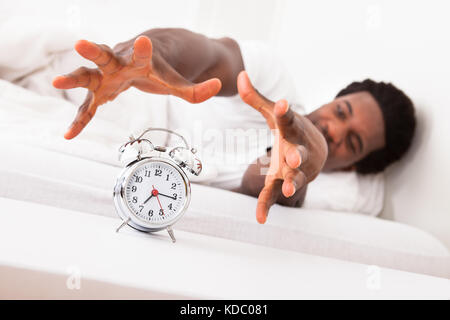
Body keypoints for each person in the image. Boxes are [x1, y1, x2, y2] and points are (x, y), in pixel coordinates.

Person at [51, 28, 416, 224]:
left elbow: (263, 179)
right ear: (333, 99)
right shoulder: (272, 77)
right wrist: (144, 56)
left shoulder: (308, 180)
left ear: (353, 166)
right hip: (118, 92)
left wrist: (306, 158)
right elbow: (210, 54)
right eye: (341, 111)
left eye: (351, 142)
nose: (334, 128)